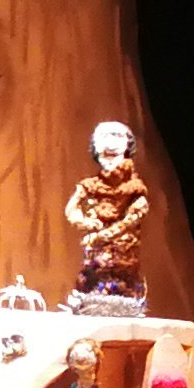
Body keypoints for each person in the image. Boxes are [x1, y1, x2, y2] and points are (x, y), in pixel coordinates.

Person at [65, 120, 151, 303]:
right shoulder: (89, 186)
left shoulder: (135, 189)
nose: (109, 144)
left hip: (124, 259)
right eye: (103, 137)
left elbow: (132, 220)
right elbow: (71, 210)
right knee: (93, 281)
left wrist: (102, 236)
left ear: (127, 146)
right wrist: (86, 223)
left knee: (122, 283)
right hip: (95, 261)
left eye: (117, 136)